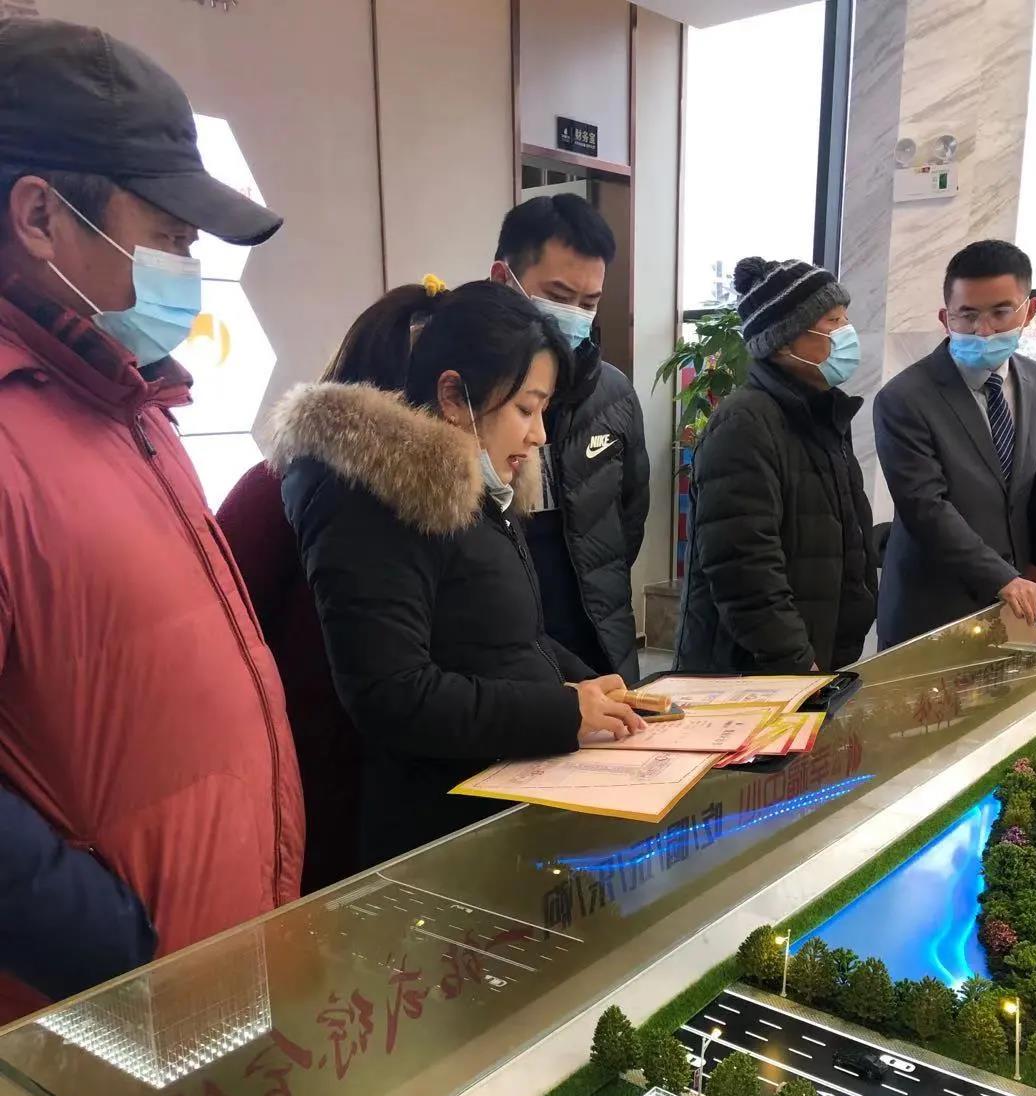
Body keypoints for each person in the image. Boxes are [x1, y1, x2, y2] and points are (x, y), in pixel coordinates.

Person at [0, 18, 303, 999]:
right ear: (39, 217)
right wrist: (116, 949)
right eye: (170, 235)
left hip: (208, 982)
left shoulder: (128, 400)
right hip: (104, 1019)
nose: (189, 266)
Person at [274, 281, 645, 869]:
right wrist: (561, 711)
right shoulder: (374, 503)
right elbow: (392, 694)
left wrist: (588, 685)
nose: (540, 435)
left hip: (501, 799)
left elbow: (505, 636)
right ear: (453, 396)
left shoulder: (473, 490)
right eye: (525, 409)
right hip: (436, 836)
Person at [217, 293, 417, 894]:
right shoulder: (275, 490)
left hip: (404, 780)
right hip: (309, 775)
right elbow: (227, 634)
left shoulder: (445, 505)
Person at [674, 257, 877, 675]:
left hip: (810, 661)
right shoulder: (745, 422)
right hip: (751, 673)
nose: (847, 331)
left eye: (845, 318)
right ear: (784, 341)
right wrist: (797, 662)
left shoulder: (822, 414)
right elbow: (743, 566)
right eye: (833, 321)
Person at [491, 195, 649, 684]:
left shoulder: (613, 394)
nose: (574, 315)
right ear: (503, 280)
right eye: (558, 296)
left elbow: (630, 518)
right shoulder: (469, 397)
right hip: (503, 657)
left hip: (601, 646)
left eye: (589, 303)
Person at [875, 240, 1036, 648]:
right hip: (933, 608)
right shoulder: (904, 398)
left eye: (1000, 312)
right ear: (946, 318)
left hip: (1020, 603)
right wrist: (1004, 578)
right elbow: (925, 507)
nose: (984, 330)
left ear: (1029, 311)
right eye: (968, 315)